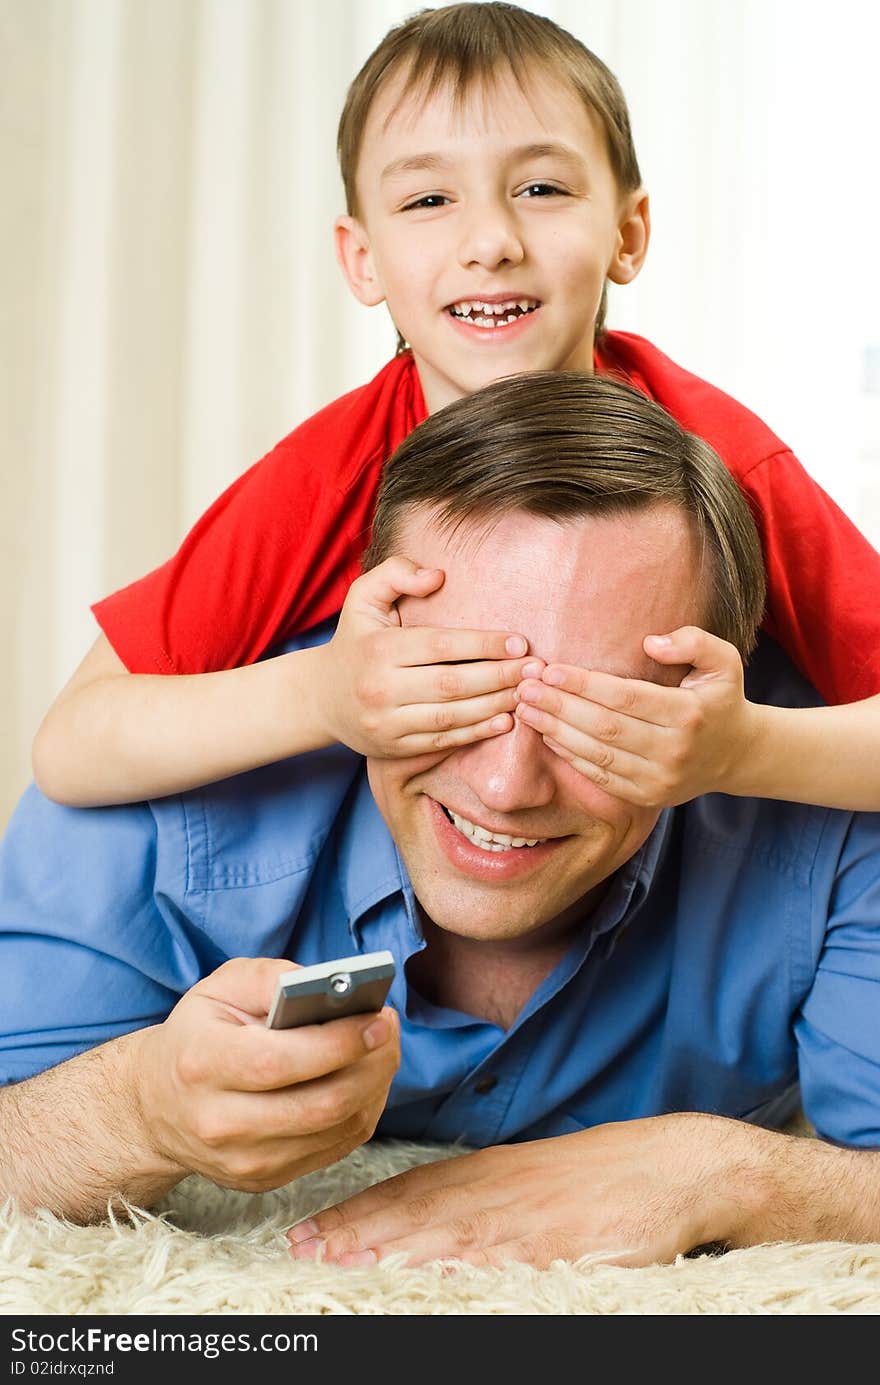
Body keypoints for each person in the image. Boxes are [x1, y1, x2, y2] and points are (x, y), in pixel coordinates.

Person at [2, 373, 879, 1270]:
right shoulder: (168, 776)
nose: (506, 786)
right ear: (370, 638)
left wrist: (723, 1171)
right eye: (451, 690)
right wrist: (138, 1110)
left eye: (600, 719)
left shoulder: (829, 801)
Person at [29, 2, 880, 816]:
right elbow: (72, 742)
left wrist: (745, 750)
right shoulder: (330, 474)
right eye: (429, 200)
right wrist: (321, 695)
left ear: (628, 233)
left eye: (542, 188)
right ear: (362, 260)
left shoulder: (720, 456)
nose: (491, 241)